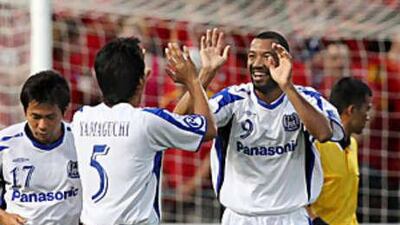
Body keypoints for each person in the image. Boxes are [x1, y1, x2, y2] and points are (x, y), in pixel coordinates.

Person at [174, 29, 344, 225]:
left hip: (290, 217)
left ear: (283, 60)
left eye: (266, 57)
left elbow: (324, 133)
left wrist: (287, 86)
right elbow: (178, 122)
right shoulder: (233, 100)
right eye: (252, 56)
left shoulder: (306, 99)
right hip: (239, 217)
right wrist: (204, 75)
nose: (256, 64)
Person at [71, 37, 217, 225]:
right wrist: (193, 80)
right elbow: (208, 129)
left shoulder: (82, 118)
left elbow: (164, 126)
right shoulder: (146, 122)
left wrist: (205, 75)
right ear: (143, 80)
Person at [0, 70, 81, 225]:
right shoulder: (4, 144)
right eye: (35, 117)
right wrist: (3, 217)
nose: (42, 126)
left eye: (50, 117)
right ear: (25, 112)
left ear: (64, 112)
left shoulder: (80, 141)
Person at [307, 77, 372, 225]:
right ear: (352, 110)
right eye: (366, 109)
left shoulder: (353, 144)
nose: (368, 117)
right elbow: (297, 199)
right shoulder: (317, 147)